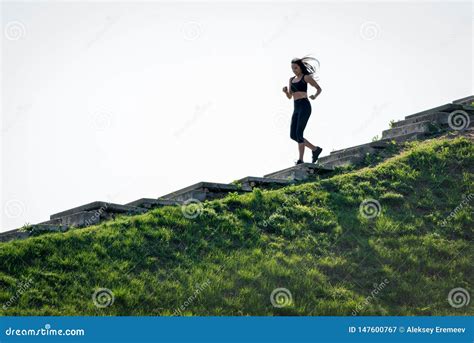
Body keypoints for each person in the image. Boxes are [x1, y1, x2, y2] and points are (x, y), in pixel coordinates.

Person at [282, 56, 323, 165]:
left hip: (305, 106)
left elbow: (319, 88)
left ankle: (300, 160)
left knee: (299, 133)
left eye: (295, 68)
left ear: (300, 67)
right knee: (293, 135)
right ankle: (315, 149)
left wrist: (315, 95)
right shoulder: (291, 80)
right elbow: (290, 96)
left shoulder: (306, 77)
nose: (294, 70)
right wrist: (286, 92)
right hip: (296, 108)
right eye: (292, 68)